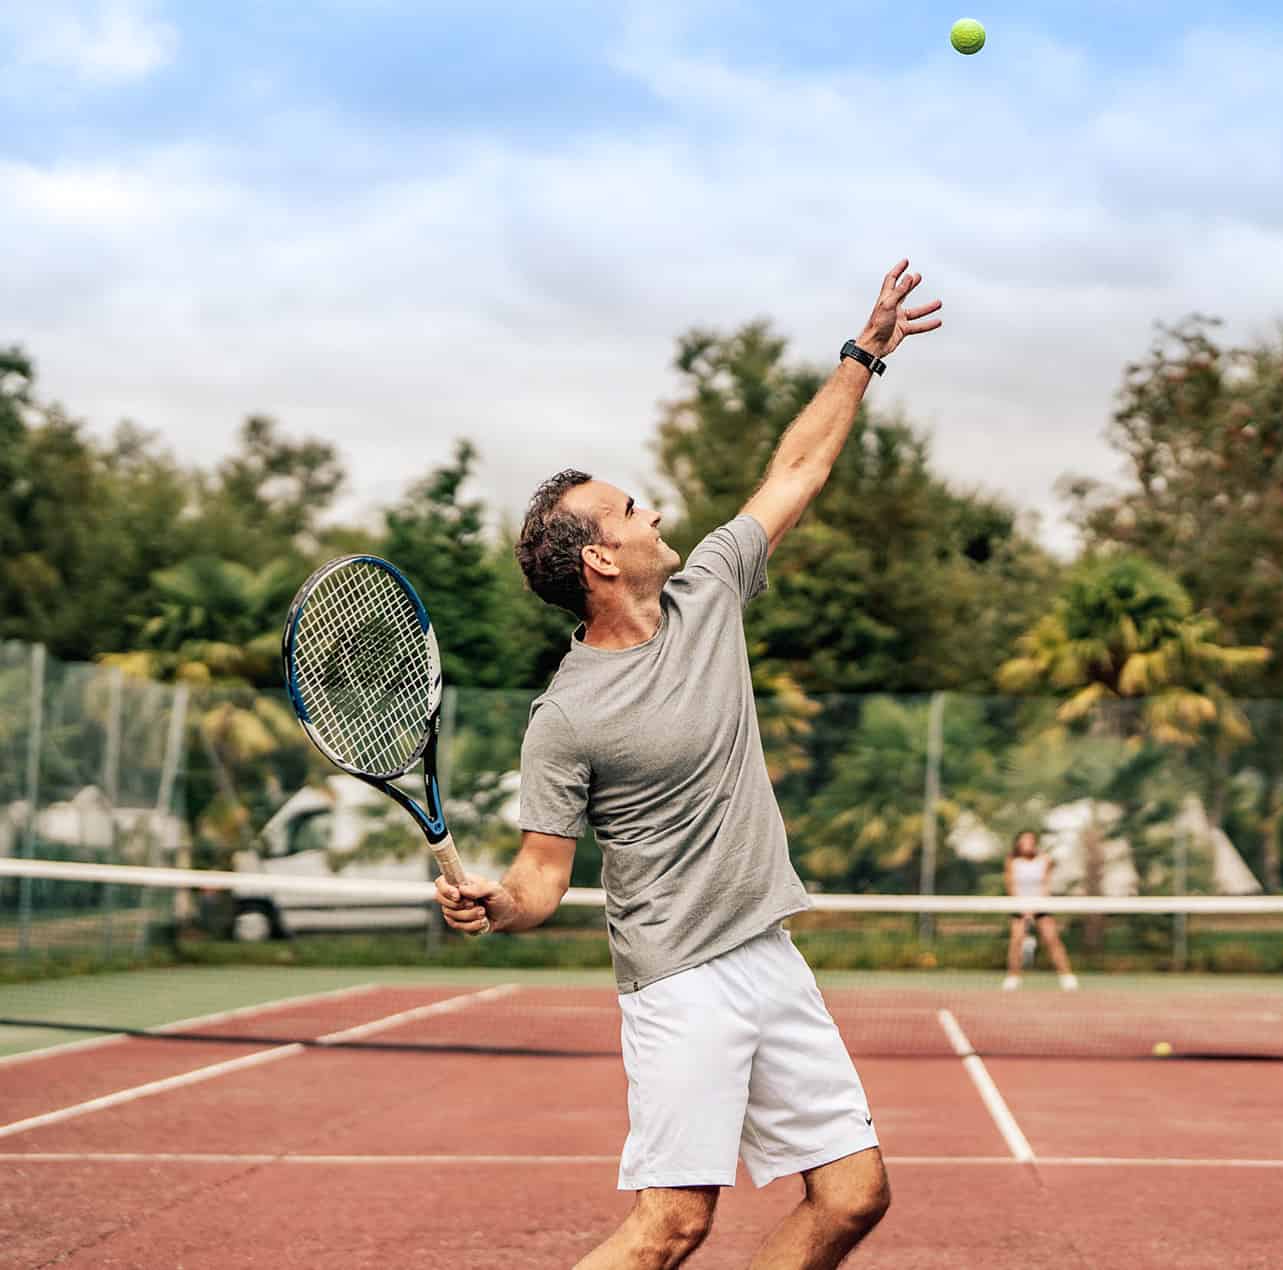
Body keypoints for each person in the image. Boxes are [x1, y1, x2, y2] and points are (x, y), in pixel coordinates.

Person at [434, 261, 941, 1270]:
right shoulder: (565, 716)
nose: (655, 512)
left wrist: (862, 357)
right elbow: (543, 878)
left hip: (766, 947)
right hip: (681, 981)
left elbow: (797, 469)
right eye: (631, 510)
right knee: (673, 1225)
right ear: (600, 560)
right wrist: (496, 903)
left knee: (851, 1194)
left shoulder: (710, 590)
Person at [1001, 829, 1078, 992]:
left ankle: (1067, 977)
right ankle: (1013, 978)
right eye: (1024, 840)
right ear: (1018, 843)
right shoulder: (1011, 861)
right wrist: (1023, 908)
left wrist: (1036, 907)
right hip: (1019, 907)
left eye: (1030, 840)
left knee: (1052, 940)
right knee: (1016, 941)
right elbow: (1010, 884)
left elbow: (1046, 884)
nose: (1027, 843)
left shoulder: (1044, 860)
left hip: (1041, 905)